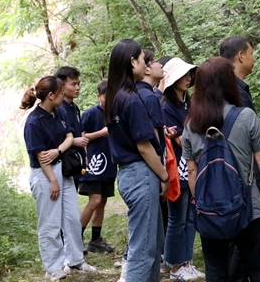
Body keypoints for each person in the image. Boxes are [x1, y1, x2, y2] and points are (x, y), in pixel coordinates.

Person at [183, 57, 260, 282]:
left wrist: (201, 204)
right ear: (229, 82)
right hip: (248, 208)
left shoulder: (191, 125)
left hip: (209, 213)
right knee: (259, 270)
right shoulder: (245, 116)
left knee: (216, 272)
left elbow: (192, 172)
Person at [104, 39, 169, 282]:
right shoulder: (131, 99)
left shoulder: (116, 97)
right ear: (133, 62)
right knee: (143, 250)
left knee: (150, 246)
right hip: (141, 174)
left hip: (129, 174)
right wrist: (164, 175)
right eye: (143, 59)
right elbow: (144, 146)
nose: (147, 63)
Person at [21, 76, 96, 281]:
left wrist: (57, 150)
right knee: (50, 223)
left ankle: (75, 260)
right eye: (61, 93)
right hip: (45, 175)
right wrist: (53, 180)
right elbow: (41, 156)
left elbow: (70, 137)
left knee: (72, 217)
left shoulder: (60, 112)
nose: (64, 96)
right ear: (51, 95)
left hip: (63, 170)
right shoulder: (34, 122)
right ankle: (53, 267)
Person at [219, 35, 260, 281]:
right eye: (251, 53)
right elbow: (247, 138)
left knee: (242, 239)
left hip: (228, 176)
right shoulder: (234, 91)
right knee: (248, 237)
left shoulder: (226, 89)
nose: (254, 59)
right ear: (241, 56)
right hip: (244, 176)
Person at [161, 57, 204, 280]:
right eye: (183, 75)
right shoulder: (166, 107)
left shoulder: (190, 104)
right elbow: (179, 140)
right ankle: (174, 265)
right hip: (178, 168)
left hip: (193, 166)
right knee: (177, 218)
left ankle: (186, 262)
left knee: (191, 216)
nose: (188, 79)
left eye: (190, 75)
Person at [78, 80, 116, 253]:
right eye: (106, 96)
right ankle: (76, 238)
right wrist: (100, 133)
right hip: (93, 163)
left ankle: (95, 239)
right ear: (98, 96)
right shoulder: (91, 113)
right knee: (94, 200)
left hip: (110, 163)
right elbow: (81, 136)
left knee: (102, 201)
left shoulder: (115, 113)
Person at [54, 66, 89, 190]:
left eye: (78, 84)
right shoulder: (57, 109)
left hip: (76, 162)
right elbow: (54, 138)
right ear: (61, 86)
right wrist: (73, 141)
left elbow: (81, 131)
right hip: (63, 164)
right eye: (73, 84)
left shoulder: (75, 108)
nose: (77, 88)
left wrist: (85, 154)